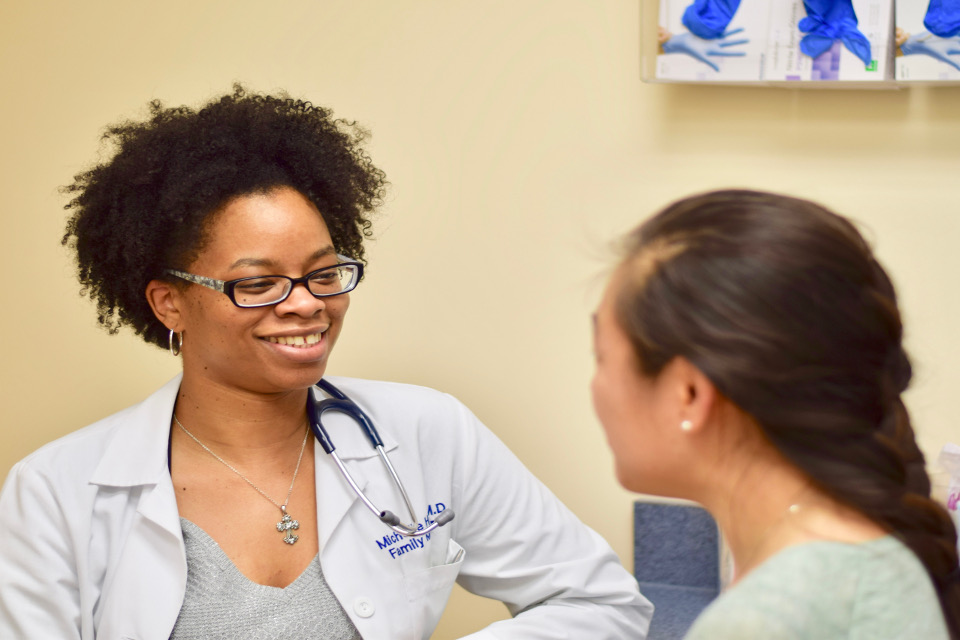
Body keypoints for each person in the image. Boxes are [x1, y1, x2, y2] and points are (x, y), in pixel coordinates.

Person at [0, 86, 652, 640]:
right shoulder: (56, 492)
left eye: (323, 273)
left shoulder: (428, 431)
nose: (306, 304)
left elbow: (599, 604)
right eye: (258, 283)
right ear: (169, 303)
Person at [591, 189, 960, 639]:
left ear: (689, 394)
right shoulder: (869, 555)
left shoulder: (766, 619)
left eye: (602, 357)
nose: (595, 387)